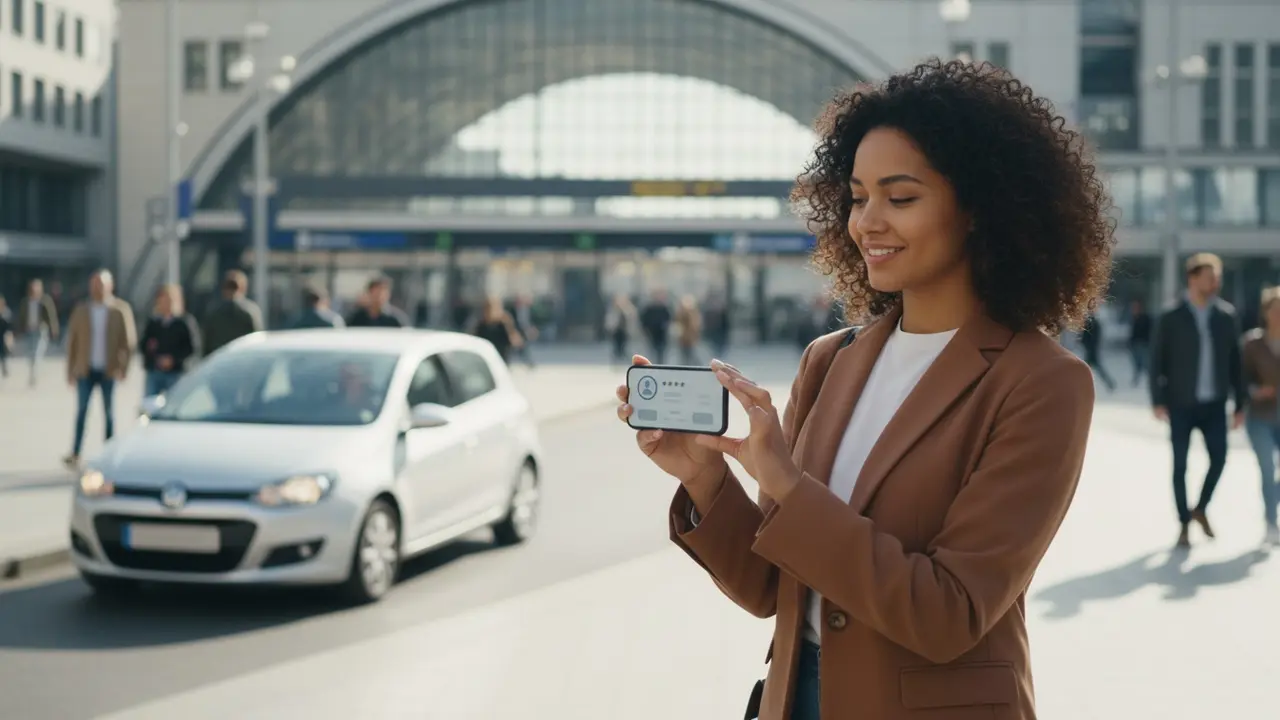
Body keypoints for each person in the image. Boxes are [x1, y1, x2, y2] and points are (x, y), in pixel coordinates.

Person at [615, 59, 1113, 720]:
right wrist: (708, 482)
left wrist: (790, 487)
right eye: (856, 196)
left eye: (900, 198)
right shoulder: (831, 360)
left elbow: (949, 613)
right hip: (800, 698)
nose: (866, 222)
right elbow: (774, 587)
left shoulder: (1041, 383)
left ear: (977, 209)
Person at [1149, 252, 1247, 548]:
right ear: (1193, 278)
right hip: (1181, 402)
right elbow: (1157, 360)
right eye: (1209, 276)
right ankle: (1183, 524)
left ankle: (1200, 508)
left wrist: (1240, 403)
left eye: (1217, 277)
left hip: (1215, 403)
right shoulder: (1171, 316)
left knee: (1219, 458)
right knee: (1180, 465)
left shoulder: (1226, 316)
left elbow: (1236, 362)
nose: (1214, 282)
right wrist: (1157, 399)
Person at [64, 270, 137, 470]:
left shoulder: (120, 310)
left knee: (109, 413)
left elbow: (128, 341)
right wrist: (70, 370)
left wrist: (124, 367)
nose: (97, 288)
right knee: (81, 412)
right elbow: (73, 342)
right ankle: (76, 452)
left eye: (101, 284)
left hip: (109, 370)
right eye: (94, 284)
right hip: (84, 370)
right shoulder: (81, 310)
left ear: (110, 286)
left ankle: (109, 452)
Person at [1242, 286, 1280, 545]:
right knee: (1268, 469)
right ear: (1265, 313)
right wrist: (1255, 390)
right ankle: (1270, 521)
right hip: (1260, 417)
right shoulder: (1252, 343)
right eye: (1275, 311)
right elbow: (1241, 380)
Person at [140, 284, 201, 397]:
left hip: (176, 372)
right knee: (150, 404)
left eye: (169, 300)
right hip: (155, 371)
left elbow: (192, 348)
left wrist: (173, 360)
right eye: (162, 300)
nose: (165, 303)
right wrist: (152, 353)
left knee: (174, 403)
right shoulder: (154, 323)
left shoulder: (184, 322)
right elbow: (143, 345)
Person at [202, 270, 263, 355]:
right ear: (243, 288)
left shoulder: (214, 312)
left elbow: (206, 344)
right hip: (243, 358)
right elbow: (257, 340)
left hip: (219, 360)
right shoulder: (250, 312)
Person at [15, 279, 59, 387]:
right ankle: (32, 371)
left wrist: (54, 329)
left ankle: (33, 375)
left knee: (37, 353)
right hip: (29, 330)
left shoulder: (45, 301)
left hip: (41, 331)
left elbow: (51, 316)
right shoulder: (25, 302)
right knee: (29, 353)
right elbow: (21, 317)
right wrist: (17, 330)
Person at [470, 296, 524, 363]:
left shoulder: (502, 324)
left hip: (501, 360)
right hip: (486, 360)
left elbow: (515, 342)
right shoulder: (481, 325)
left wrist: (508, 325)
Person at [1080, 312, 1115, 392]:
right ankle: (1109, 384)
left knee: (1087, 369)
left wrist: (1086, 344)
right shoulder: (1093, 322)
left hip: (1091, 350)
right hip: (1091, 349)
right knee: (1092, 369)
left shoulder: (1091, 323)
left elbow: (1088, 337)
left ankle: (1083, 386)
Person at [1128, 299, 1151, 387]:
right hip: (1135, 345)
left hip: (1143, 344)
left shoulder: (1145, 318)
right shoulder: (1134, 318)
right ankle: (1136, 381)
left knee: (1145, 364)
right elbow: (1133, 333)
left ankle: (1149, 379)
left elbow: (1148, 331)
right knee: (1137, 364)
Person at [0, 297, 12, 379]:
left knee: (3, 353)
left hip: (3, 336)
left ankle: (5, 368)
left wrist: (9, 336)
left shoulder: (6, 313)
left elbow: (9, 326)